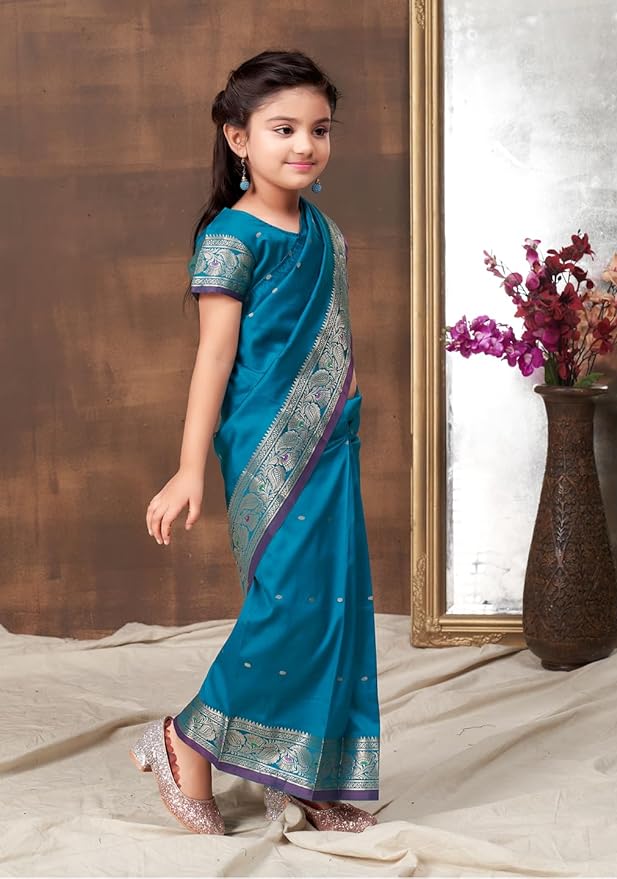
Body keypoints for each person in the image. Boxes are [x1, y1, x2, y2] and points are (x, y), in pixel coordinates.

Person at [130, 50, 380, 835]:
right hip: (268, 448)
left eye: (319, 129)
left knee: (334, 609)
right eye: (283, 129)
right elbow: (213, 358)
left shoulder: (326, 233)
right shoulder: (232, 238)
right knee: (286, 606)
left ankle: (303, 773)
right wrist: (188, 469)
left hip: (333, 444)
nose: (304, 144)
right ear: (238, 138)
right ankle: (183, 740)